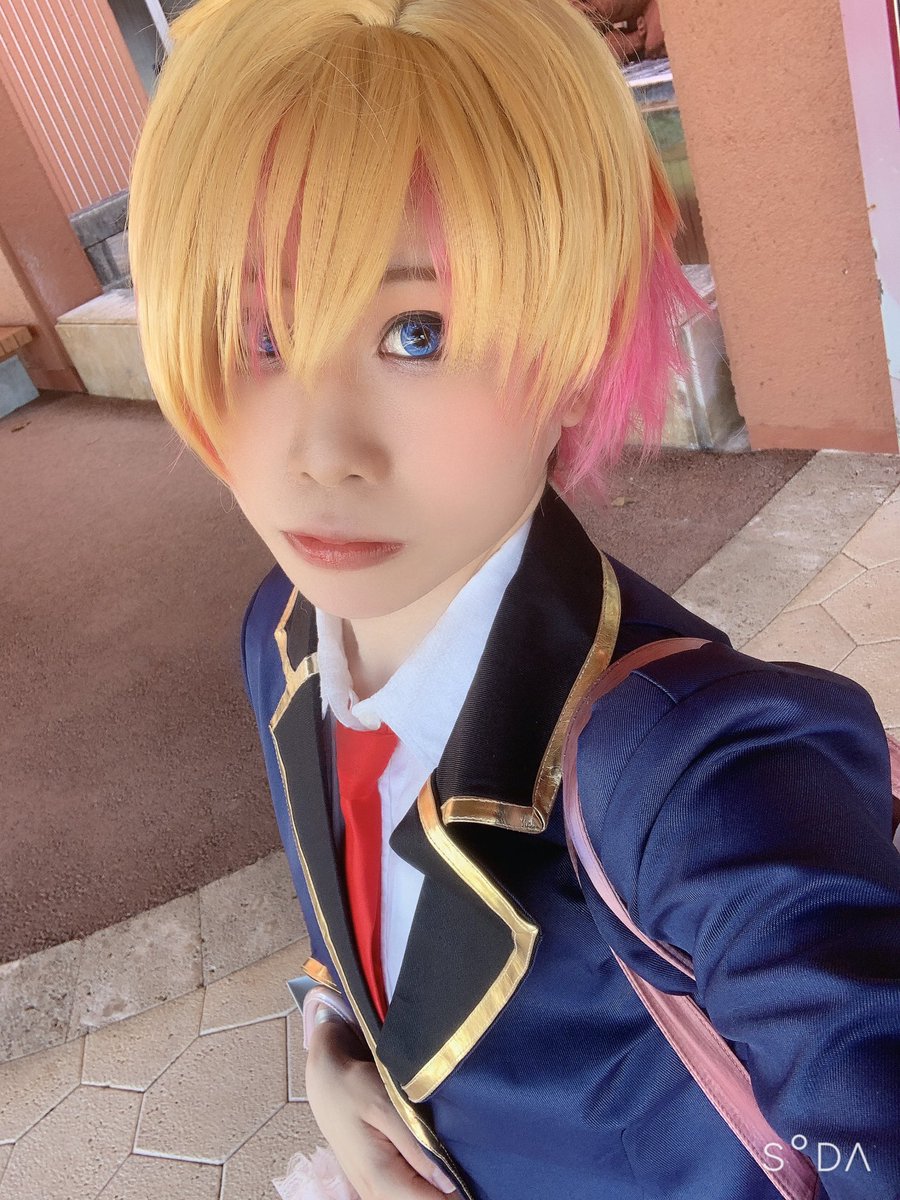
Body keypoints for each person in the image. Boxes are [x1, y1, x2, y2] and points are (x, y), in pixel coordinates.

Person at [126, 1, 900, 1198]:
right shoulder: (282, 635)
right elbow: (362, 924)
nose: (321, 452)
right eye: (258, 331)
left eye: (417, 333)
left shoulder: (693, 775)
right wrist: (331, 1045)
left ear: (577, 353)